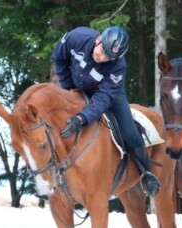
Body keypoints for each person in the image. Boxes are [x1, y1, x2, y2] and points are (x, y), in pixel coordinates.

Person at [51, 25, 160, 196]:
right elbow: (59, 58)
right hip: (73, 87)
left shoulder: (118, 66)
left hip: (108, 94)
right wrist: (68, 89)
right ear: (98, 39)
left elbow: (103, 98)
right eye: (102, 52)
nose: (101, 58)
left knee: (129, 131)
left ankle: (146, 172)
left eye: (108, 57)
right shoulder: (75, 37)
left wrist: (81, 118)